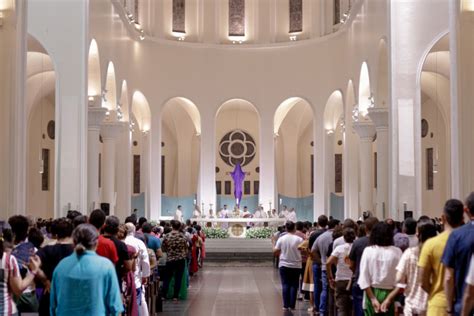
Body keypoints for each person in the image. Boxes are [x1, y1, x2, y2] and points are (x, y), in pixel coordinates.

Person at [50, 224, 124, 315]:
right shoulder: (106, 266)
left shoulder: (61, 266)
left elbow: (53, 306)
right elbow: (115, 307)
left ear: (74, 241)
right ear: (96, 243)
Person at [382, 219, 438, 316]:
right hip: (433, 304)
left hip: (412, 305)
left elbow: (399, 278)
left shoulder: (410, 253)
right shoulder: (439, 253)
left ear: (418, 234)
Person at [358, 222, 402, 315]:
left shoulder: (368, 251)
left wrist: (373, 298)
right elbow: (401, 280)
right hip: (391, 292)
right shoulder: (397, 252)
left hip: (372, 291)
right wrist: (389, 299)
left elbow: (364, 278)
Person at [442, 193, 474, 316]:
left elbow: (449, 277)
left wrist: (449, 308)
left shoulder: (457, 236)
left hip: (463, 303)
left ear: (466, 210)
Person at [36, 218, 74, 316]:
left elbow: (32, 264)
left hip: (50, 294)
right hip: (72, 296)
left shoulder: (46, 250)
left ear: (55, 234)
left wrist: (45, 281)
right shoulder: (78, 252)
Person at [349, 216, 379, 316]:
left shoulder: (358, 242)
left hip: (360, 279)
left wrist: (356, 271)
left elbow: (351, 264)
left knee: (359, 310)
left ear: (365, 228)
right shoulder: (382, 243)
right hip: (377, 281)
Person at [8, 215, 38, 313]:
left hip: (11, 295)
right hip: (28, 294)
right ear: (26, 232)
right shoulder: (33, 250)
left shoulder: (5, 254)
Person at [274, 221, 304, 311]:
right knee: (294, 285)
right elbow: (303, 251)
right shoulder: (299, 239)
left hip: (284, 264)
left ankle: (285, 305)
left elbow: (275, 251)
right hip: (296, 264)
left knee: (285, 284)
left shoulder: (282, 239)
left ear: (286, 228)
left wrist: (273, 244)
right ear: (294, 228)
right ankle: (292, 305)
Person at [311, 218, 338, 315]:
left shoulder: (321, 237)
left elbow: (313, 250)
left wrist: (320, 261)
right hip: (336, 267)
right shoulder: (338, 238)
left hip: (324, 266)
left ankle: (322, 310)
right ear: (335, 226)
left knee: (325, 289)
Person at [326, 227, 356, 316]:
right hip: (354, 279)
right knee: (353, 308)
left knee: (341, 307)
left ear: (344, 237)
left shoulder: (339, 248)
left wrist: (330, 277)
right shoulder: (356, 247)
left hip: (341, 279)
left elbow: (328, 263)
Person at [124, 223, 150, 315]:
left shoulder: (121, 242)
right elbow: (145, 260)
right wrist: (145, 276)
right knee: (136, 304)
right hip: (136, 278)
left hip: (123, 279)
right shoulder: (139, 243)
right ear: (134, 231)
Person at [162, 220, 189, 301]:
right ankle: (175, 296)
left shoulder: (167, 236)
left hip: (170, 259)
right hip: (180, 259)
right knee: (178, 278)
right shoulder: (183, 236)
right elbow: (186, 248)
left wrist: (170, 251)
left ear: (172, 226)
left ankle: (164, 295)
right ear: (179, 227)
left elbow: (163, 248)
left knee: (167, 278)